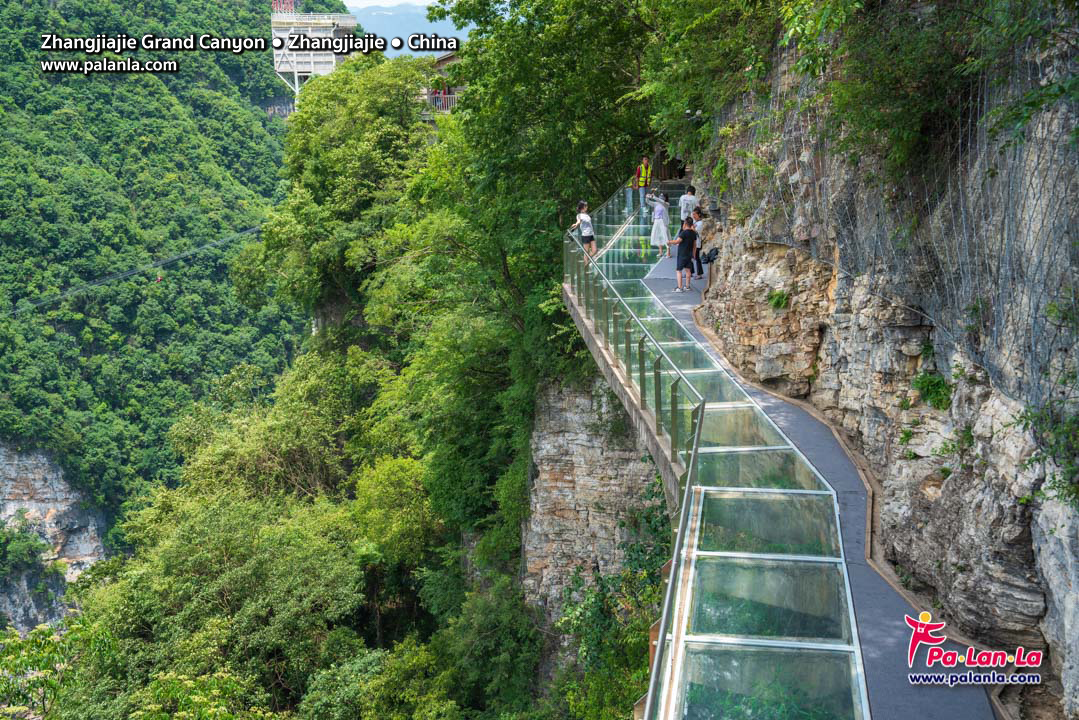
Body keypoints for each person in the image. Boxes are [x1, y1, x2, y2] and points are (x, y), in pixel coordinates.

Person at [670, 218, 697, 292]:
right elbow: (695, 245)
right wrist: (693, 254)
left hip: (682, 254)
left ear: (685, 223)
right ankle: (687, 286)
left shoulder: (683, 233)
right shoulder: (693, 233)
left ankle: (679, 287)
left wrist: (669, 242)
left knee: (679, 270)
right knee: (688, 270)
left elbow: (677, 241)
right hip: (689, 254)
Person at [646, 192, 672, 258]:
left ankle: (668, 252)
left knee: (665, 235)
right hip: (656, 221)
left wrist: (654, 197)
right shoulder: (656, 204)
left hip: (663, 221)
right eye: (660, 196)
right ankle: (660, 251)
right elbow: (648, 202)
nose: (661, 197)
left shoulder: (666, 204)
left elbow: (661, 201)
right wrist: (647, 197)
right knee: (657, 235)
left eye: (662, 196)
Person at [691, 207, 705, 279]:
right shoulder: (695, 222)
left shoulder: (700, 223)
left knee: (696, 258)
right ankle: (690, 272)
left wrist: (692, 228)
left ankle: (699, 274)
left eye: (694, 214)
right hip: (693, 243)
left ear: (699, 214)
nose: (693, 216)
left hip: (697, 243)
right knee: (691, 257)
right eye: (693, 214)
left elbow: (695, 232)